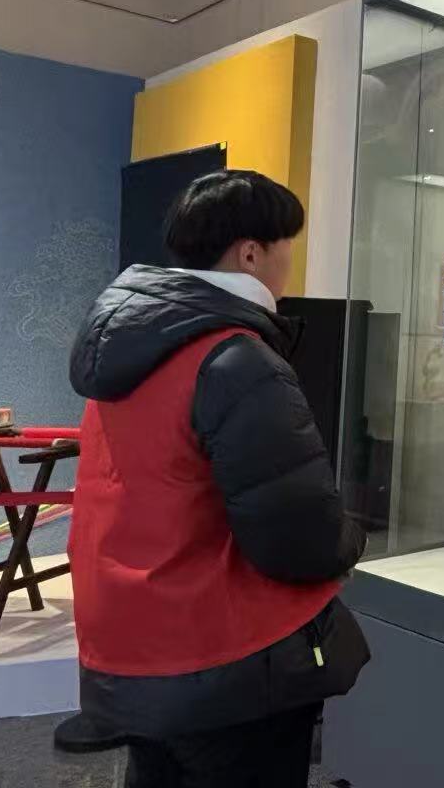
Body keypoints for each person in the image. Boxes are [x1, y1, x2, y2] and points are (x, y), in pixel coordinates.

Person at [66, 170, 369, 787]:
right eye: (288, 244)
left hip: (133, 644)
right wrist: (353, 537)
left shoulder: (131, 348)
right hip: (222, 660)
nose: (291, 262)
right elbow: (298, 538)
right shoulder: (234, 357)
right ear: (251, 253)